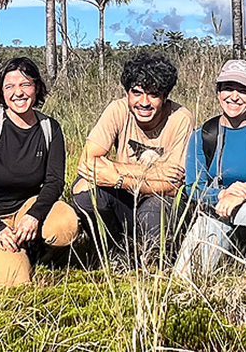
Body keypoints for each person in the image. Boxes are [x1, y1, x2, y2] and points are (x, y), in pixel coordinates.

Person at [0, 57, 79, 286]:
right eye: (9, 86)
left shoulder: (49, 128)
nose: (18, 92)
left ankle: (33, 249)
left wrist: (34, 215)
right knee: (17, 279)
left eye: (25, 84)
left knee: (66, 224)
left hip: (24, 210)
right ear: (1, 92)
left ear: (37, 88)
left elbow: (54, 181)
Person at [173, 59, 246, 280]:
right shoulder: (203, 135)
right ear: (218, 92)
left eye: (243, 90)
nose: (234, 96)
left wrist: (242, 194)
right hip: (218, 212)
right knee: (184, 276)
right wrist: (223, 195)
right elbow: (192, 188)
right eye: (228, 88)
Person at [73, 52, 194, 255]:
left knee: (152, 212)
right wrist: (154, 173)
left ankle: (154, 260)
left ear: (165, 97)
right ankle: (116, 251)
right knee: (83, 190)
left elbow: (173, 185)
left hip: (159, 199)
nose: (144, 102)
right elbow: (86, 163)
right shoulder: (117, 110)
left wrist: (118, 176)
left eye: (153, 94)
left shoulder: (181, 118)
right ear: (127, 93)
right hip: (126, 198)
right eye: (137, 93)